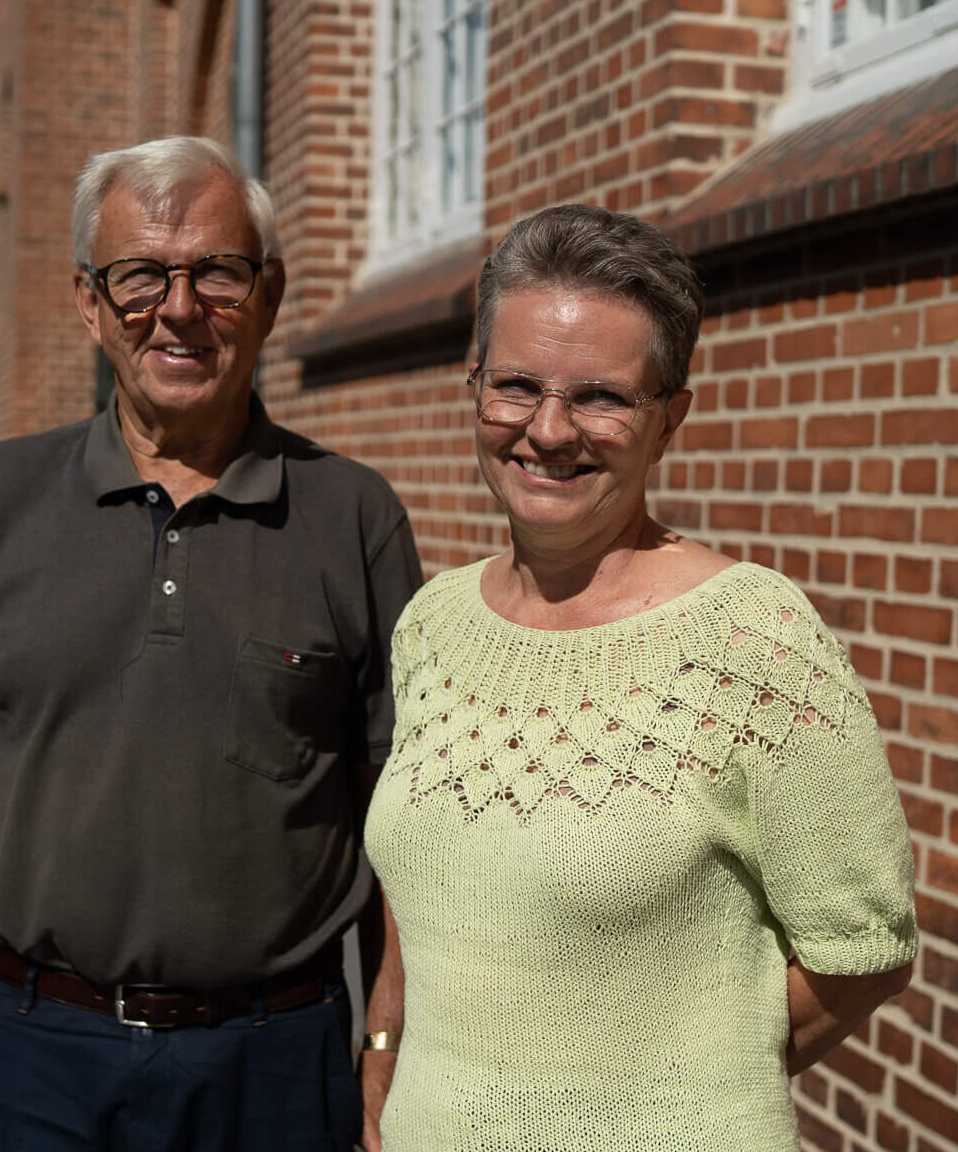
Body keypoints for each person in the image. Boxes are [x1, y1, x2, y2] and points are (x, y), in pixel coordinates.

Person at [0, 136, 421, 1152]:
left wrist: (384, 1055)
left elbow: (403, 828)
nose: (177, 309)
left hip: (277, 1065)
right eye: (138, 277)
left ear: (269, 293)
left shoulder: (353, 517)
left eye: (215, 270)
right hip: (37, 1056)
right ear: (88, 300)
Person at [363, 204, 918, 1151]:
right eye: (516, 386)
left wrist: (666, 1094)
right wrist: (381, 1068)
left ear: (669, 421)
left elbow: (862, 950)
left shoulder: (753, 640)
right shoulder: (433, 626)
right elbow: (423, 899)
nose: (547, 430)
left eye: (600, 397)